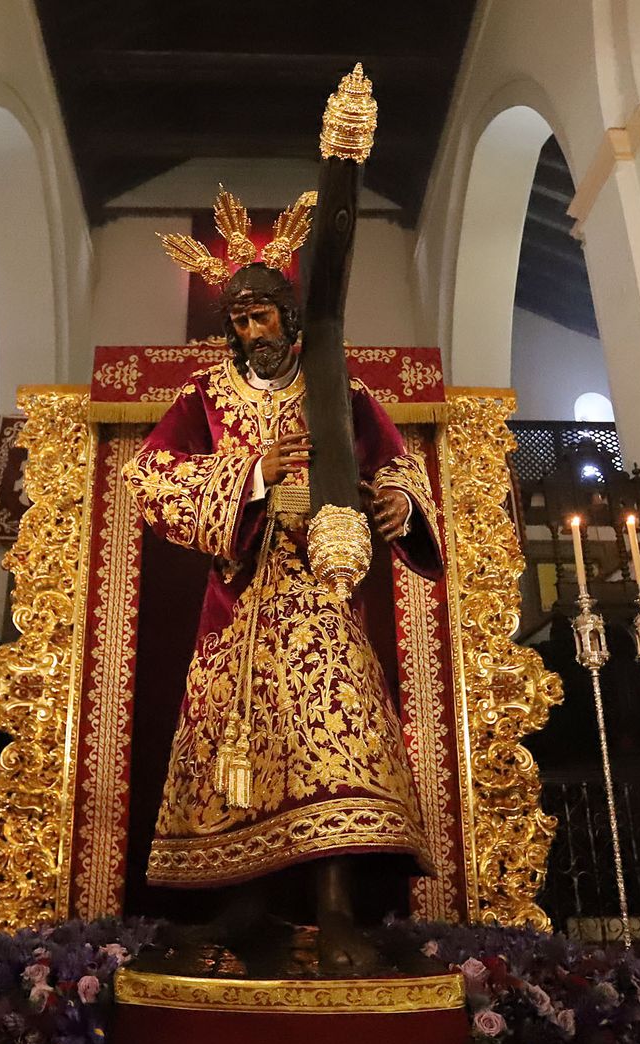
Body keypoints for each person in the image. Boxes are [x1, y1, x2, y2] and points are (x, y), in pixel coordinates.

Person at [128, 196, 443, 971]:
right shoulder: (206, 399)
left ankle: (335, 909)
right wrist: (252, 474)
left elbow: (399, 467)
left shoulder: (344, 389)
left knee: (331, 739)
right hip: (237, 605)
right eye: (238, 320)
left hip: (324, 597)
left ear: (292, 317)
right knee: (238, 745)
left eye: (263, 317)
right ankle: (242, 907)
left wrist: (399, 501)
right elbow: (150, 479)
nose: (251, 333)